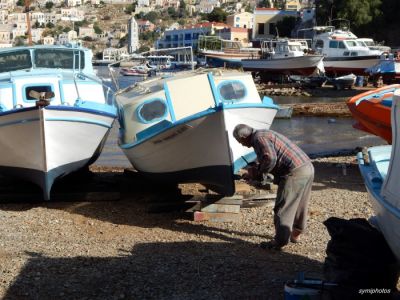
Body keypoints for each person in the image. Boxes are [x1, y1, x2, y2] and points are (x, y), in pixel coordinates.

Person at [233, 124, 314, 250]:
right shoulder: (264, 133)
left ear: (244, 137)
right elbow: (270, 158)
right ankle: (295, 234)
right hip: (307, 166)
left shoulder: (258, 139)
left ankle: (279, 241)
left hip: (294, 172)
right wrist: (255, 172)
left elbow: (270, 159)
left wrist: (259, 174)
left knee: (283, 207)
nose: (241, 144)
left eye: (240, 141)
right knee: (300, 204)